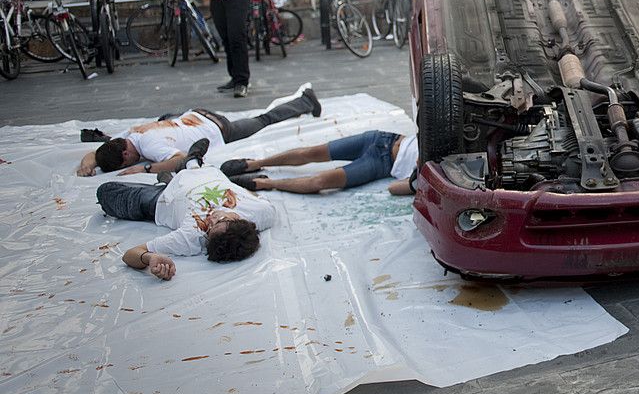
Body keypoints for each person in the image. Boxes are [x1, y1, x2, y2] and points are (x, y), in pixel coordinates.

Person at [76, 86, 321, 176]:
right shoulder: (130, 134)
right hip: (194, 115)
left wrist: (145, 168)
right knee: (165, 119)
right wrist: (86, 165)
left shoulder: (149, 148)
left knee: (263, 120)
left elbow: (180, 160)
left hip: (218, 128)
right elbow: (95, 153)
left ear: (126, 157)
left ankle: (305, 101)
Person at [98, 161, 276, 279]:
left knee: (106, 191)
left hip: (163, 199)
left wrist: (149, 258)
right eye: (219, 221)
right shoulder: (262, 212)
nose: (210, 222)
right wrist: (238, 189)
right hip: (208, 173)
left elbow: (130, 254)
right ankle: (189, 165)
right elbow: (258, 198)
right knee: (200, 168)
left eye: (209, 230)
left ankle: (173, 176)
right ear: (240, 221)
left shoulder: (192, 237)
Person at [219, 130, 418, 197]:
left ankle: (264, 183)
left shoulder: (432, 175)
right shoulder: (442, 137)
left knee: (321, 182)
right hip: (383, 138)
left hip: (381, 163)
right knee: (312, 152)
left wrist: (415, 183)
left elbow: (393, 188)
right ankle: (255, 163)